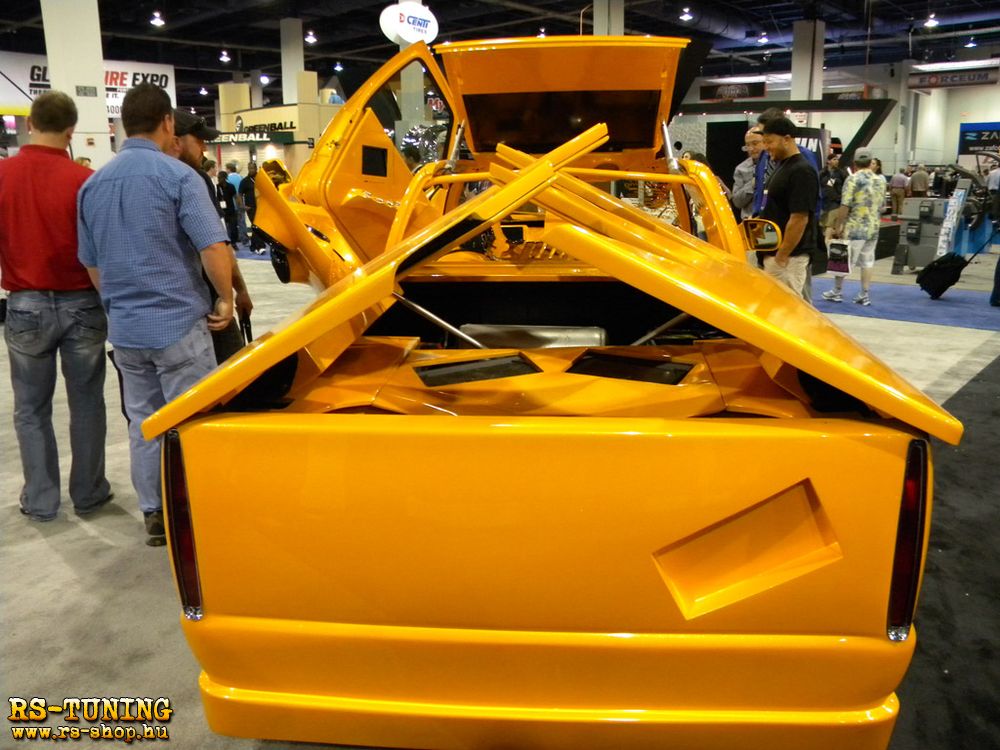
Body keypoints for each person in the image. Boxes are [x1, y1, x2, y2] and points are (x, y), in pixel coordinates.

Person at [77, 82, 233, 546]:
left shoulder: (92, 186)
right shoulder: (179, 177)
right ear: (167, 122)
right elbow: (212, 246)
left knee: (144, 423)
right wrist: (225, 298)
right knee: (191, 421)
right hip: (179, 324)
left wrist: (116, 303)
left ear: (124, 125)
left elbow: (91, 262)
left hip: (126, 331)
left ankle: (156, 511)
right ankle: (193, 509)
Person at [0, 90, 112, 522]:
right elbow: (103, 249)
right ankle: (89, 492)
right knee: (87, 403)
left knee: (30, 408)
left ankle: (42, 499)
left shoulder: (4, 175)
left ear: (29, 124)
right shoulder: (86, 182)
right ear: (71, 131)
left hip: (25, 306)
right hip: (83, 304)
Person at [172, 108, 253, 362]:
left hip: (154, 318)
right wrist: (235, 293)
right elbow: (215, 244)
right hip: (206, 304)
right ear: (176, 140)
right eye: (198, 140)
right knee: (233, 371)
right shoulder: (192, 179)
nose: (204, 148)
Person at [757, 116, 818, 298]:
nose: (766, 147)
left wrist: (782, 256)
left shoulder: (802, 171)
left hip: (788, 258)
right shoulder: (782, 167)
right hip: (775, 253)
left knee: (785, 306)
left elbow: (799, 218)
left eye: (769, 142)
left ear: (787, 139)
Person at [823, 149, 886, 307]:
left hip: (855, 227)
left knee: (843, 259)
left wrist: (838, 225)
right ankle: (864, 294)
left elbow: (845, 205)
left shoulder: (852, 179)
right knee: (868, 261)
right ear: (871, 162)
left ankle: (837, 291)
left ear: (855, 163)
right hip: (873, 227)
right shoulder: (880, 180)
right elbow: (882, 206)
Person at [732, 127, 763, 221]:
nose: (751, 149)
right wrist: (754, 182)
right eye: (747, 145)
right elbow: (737, 202)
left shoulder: (775, 164)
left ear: (765, 142)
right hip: (749, 221)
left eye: (755, 143)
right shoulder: (741, 169)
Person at [818, 153, 846, 232]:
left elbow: (846, 186)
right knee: (822, 225)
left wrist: (840, 198)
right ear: (828, 161)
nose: (837, 161)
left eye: (837, 159)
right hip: (824, 203)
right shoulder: (822, 173)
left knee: (830, 225)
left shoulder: (841, 173)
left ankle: (828, 239)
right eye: (834, 159)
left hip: (836, 203)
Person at [226, 160, 248, 243]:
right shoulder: (240, 177)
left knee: (232, 222)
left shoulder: (227, 178)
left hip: (232, 203)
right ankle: (244, 239)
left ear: (229, 169)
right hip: (241, 202)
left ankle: (233, 239)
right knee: (242, 221)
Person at [217, 169, 239, 244]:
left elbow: (235, 197)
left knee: (233, 228)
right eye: (218, 178)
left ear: (224, 178)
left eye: (220, 177)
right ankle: (226, 243)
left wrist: (238, 208)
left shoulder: (231, 187)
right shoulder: (217, 187)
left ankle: (233, 243)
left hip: (231, 210)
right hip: (221, 211)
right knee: (224, 228)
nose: (218, 179)